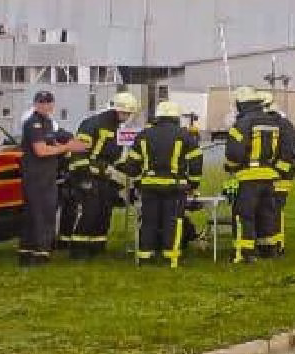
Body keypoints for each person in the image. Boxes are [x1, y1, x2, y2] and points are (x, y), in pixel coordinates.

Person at [117, 100, 203, 267]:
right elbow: (196, 162)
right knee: (172, 221)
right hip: (175, 187)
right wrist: (193, 184)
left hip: (149, 186)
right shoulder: (185, 135)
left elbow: (133, 165)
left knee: (149, 221)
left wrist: (130, 173)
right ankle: (170, 257)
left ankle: (144, 257)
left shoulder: (144, 135)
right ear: (176, 117)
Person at [59, 91, 139, 259]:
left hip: (103, 176)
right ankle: (78, 249)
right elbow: (79, 151)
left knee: (104, 210)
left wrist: (132, 168)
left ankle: (96, 245)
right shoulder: (93, 124)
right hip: (85, 174)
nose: (128, 117)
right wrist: (85, 174)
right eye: (127, 113)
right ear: (119, 110)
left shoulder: (115, 127)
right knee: (91, 210)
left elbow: (113, 157)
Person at [18, 91, 87, 266]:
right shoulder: (33, 124)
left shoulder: (48, 123)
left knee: (43, 212)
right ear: (35, 104)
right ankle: (39, 252)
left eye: (48, 102)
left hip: (47, 175)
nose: (45, 105)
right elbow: (41, 151)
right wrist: (66, 148)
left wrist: (74, 145)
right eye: (41, 102)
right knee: (40, 213)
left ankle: (32, 250)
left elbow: (54, 144)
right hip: (36, 176)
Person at [224, 86, 291, 262]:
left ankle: (244, 253)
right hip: (269, 176)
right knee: (266, 214)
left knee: (244, 214)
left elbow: (234, 154)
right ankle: (268, 249)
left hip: (248, 177)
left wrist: (230, 167)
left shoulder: (242, 124)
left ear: (241, 104)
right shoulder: (272, 122)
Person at [258, 91, 295, 255]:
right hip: (267, 175)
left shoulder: (283, 125)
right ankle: (266, 244)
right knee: (266, 210)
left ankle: (277, 245)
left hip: (280, 177)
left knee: (275, 210)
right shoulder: (268, 124)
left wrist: (277, 171)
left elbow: (289, 152)